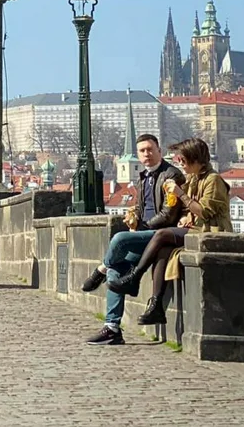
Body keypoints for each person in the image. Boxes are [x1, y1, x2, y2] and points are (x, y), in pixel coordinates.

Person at [106, 137, 232, 318]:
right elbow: (189, 209)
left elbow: (204, 211)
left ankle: (134, 277)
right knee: (163, 251)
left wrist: (179, 193)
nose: (180, 163)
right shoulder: (194, 178)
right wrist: (185, 217)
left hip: (211, 232)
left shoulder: (213, 180)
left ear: (195, 158)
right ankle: (156, 306)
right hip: (196, 229)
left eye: (183, 159)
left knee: (161, 234)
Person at [81, 133, 186, 346]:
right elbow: (140, 206)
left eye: (150, 149)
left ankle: (100, 269)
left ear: (159, 150)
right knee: (117, 269)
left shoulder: (171, 175)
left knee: (119, 239)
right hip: (144, 235)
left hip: (161, 234)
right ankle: (112, 328)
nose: (146, 154)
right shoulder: (143, 176)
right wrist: (134, 216)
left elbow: (168, 214)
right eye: (142, 151)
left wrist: (142, 228)